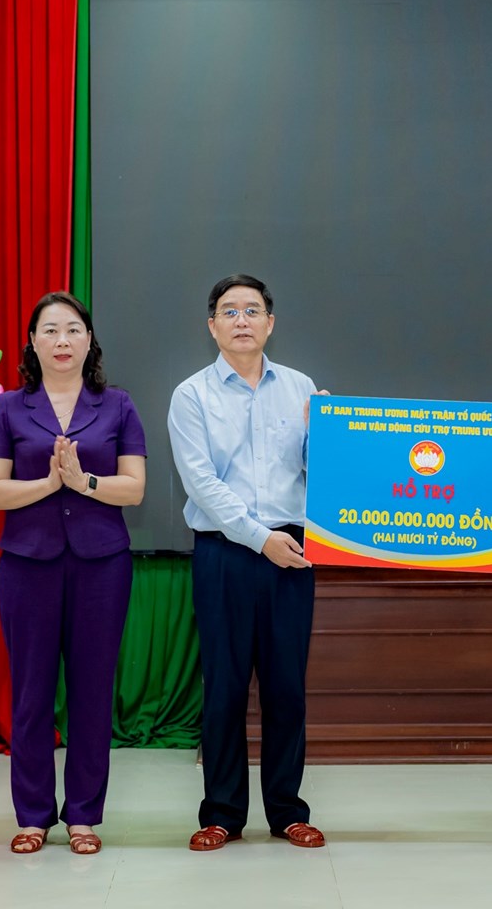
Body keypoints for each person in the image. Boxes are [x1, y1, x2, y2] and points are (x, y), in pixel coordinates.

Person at [0, 292, 147, 856]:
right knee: (31, 693)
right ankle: (32, 816)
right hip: (28, 565)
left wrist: (84, 483)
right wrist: (51, 484)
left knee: (92, 692)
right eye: (49, 330)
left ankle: (83, 816)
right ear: (32, 342)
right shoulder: (9, 408)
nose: (62, 341)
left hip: (101, 566)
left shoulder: (117, 405)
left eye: (73, 329)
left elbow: (134, 487)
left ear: (89, 340)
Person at [167, 274, 327, 852]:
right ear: (212, 326)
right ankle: (222, 814)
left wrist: (330, 434)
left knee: (287, 689)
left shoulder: (301, 387)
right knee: (225, 688)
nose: (242, 320)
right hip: (225, 553)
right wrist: (260, 539)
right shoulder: (191, 395)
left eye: (252, 310)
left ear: (270, 323)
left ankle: (287, 811)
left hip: (294, 552)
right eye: (230, 311)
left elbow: (321, 474)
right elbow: (202, 483)